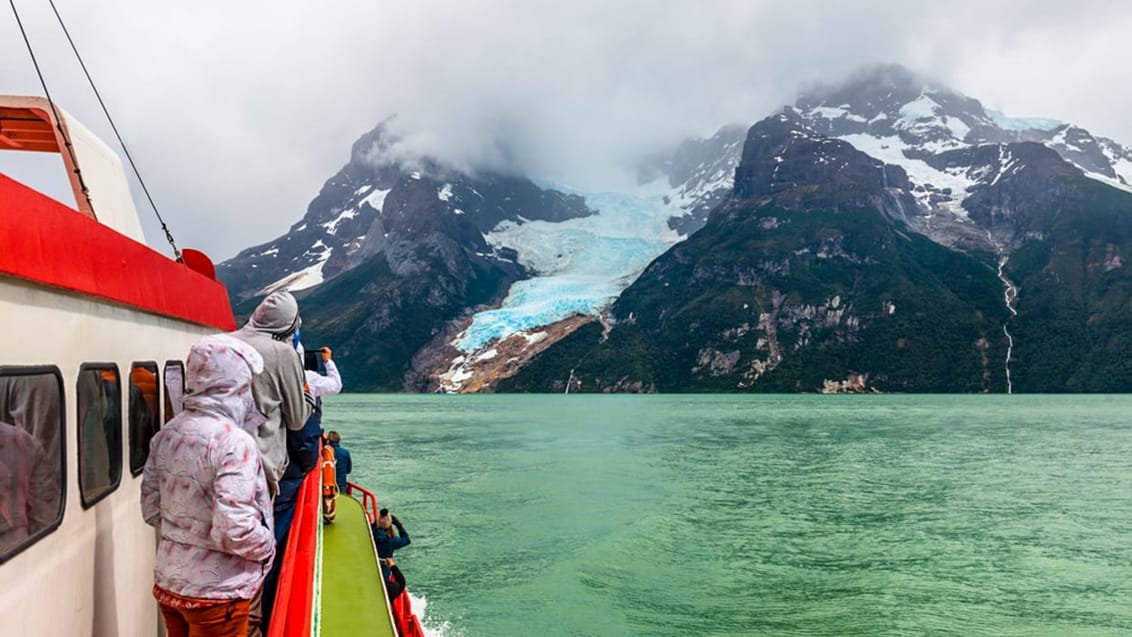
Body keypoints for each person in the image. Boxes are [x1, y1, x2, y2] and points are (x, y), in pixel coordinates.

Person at [140, 334, 274, 637]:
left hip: (170, 582)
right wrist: (267, 546)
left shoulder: (167, 434)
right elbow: (234, 529)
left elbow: (151, 509)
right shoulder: (234, 442)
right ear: (236, 382)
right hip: (218, 592)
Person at [230, 290, 314, 497]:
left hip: (220, 454)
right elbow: (296, 419)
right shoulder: (283, 353)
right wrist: (308, 397)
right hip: (259, 461)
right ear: (290, 324)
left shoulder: (223, 341)